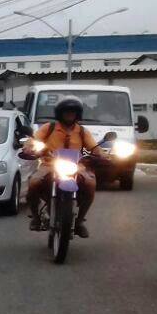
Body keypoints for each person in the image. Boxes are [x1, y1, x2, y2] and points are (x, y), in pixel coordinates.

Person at [24, 95, 99, 237]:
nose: (70, 114)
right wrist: (29, 147)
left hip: (76, 166)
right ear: (60, 113)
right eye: (66, 111)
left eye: (73, 111)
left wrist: (103, 155)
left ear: (78, 114)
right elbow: (33, 141)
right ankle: (36, 217)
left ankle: (79, 221)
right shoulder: (49, 127)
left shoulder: (82, 131)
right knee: (33, 182)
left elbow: (94, 147)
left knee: (90, 183)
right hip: (49, 164)